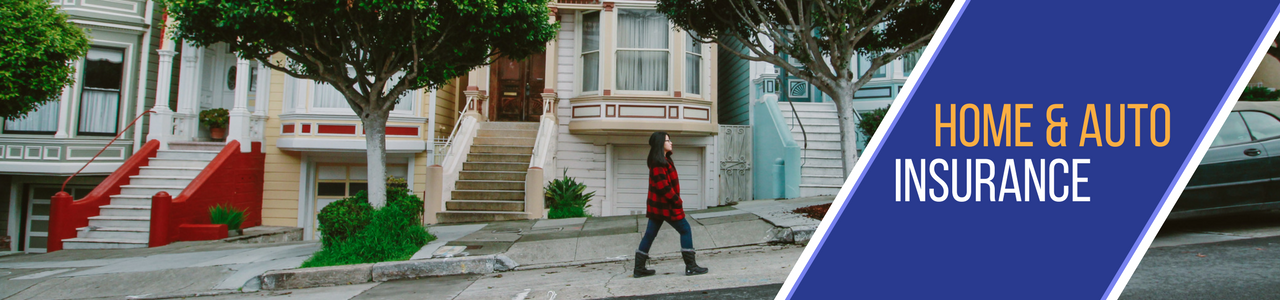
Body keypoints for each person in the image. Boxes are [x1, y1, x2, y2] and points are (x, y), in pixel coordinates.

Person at [634, 131, 709, 277]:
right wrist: (677, 200)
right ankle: (691, 266)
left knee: (650, 235)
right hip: (666, 206)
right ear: (660, 143)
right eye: (668, 140)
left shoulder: (664, 160)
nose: (671, 142)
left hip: (659, 207)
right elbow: (663, 187)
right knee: (685, 229)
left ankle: (639, 268)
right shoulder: (658, 163)